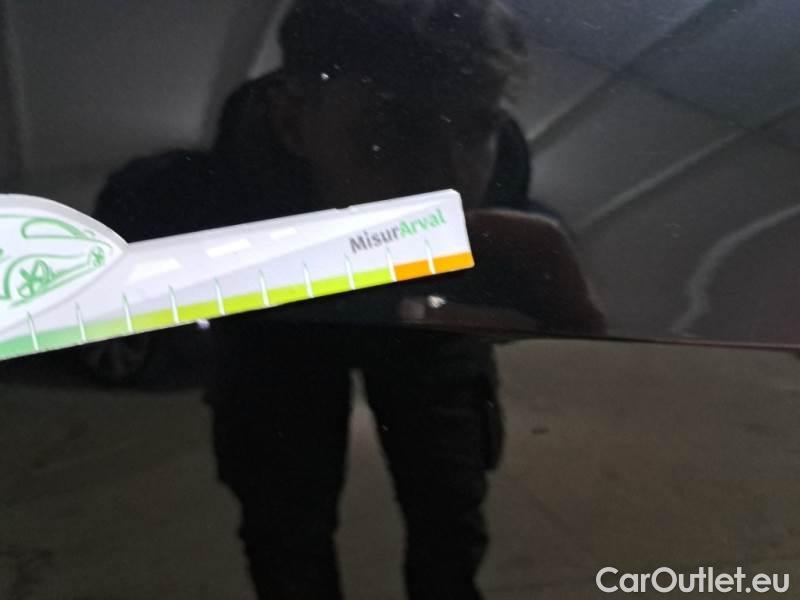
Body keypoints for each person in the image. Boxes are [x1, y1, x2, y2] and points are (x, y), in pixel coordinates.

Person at [95, 1, 604, 597]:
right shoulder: (219, 190)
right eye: (394, 130)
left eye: (476, 129)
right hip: (281, 337)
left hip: (419, 331)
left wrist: (531, 290)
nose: (451, 181)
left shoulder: (501, 165)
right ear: (293, 123)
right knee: (287, 522)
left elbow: (520, 248)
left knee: (449, 503)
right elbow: (117, 247)